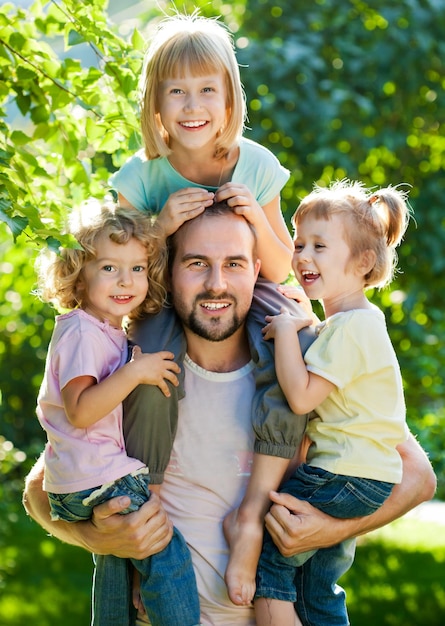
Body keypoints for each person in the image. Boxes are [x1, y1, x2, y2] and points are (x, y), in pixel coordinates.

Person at [24, 204, 436, 626]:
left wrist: (329, 530)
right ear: (167, 272)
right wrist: (97, 536)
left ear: (256, 270)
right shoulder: (130, 366)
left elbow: (418, 477)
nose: (216, 283)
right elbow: (40, 488)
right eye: (197, 263)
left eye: (234, 264)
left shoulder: (307, 361)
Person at [111, 10, 314, 605]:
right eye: (176, 91)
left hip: (248, 293)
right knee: (145, 357)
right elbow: (120, 268)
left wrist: (254, 216)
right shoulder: (143, 175)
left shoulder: (253, 163)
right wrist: (155, 229)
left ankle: (271, 486)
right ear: (155, 103)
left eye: (207, 90)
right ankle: (143, 483)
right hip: (171, 300)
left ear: (229, 99)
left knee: (294, 345)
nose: (192, 104)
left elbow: (280, 269)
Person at [34, 200, 200, 626]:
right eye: (109, 268)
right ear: (78, 272)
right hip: (97, 475)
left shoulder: (104, 331)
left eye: (138, 269)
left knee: (115, 556)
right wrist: (135, 372)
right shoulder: (80, 331)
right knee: (166, 552)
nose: (126, 280)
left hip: (83, 478)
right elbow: (82, 411)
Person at [254, 180, 412, 625]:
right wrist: (306, 322)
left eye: (320, 246)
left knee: (269, 560)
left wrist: (287, 332)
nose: (303, 256)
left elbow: (302, 397)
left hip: (341, 474)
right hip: (366, 479)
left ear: (363, 262)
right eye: (300, 243)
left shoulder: (350, 329)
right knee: (316, 589)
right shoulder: (353, 323)